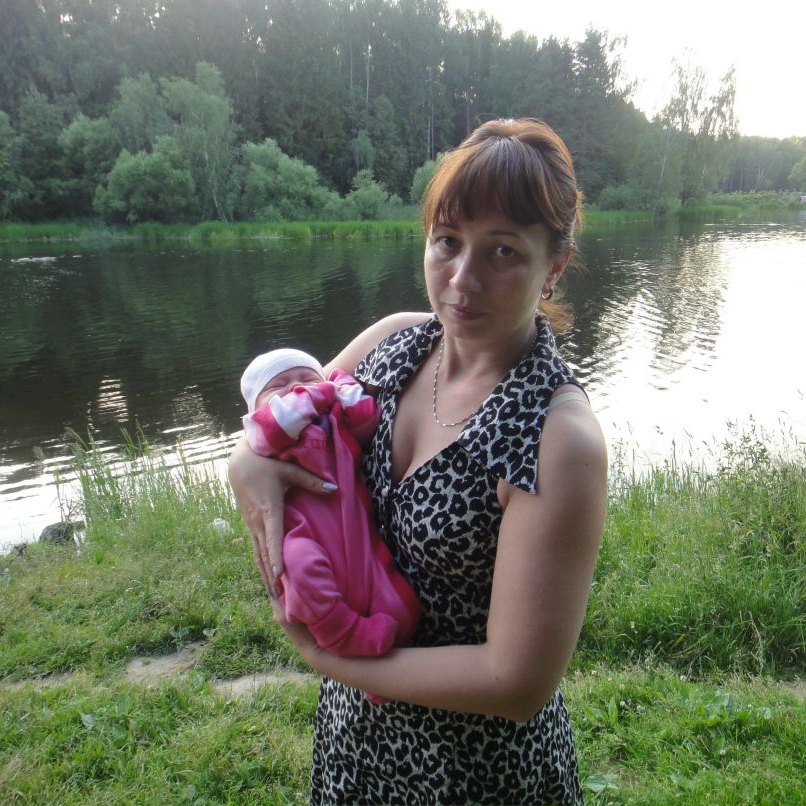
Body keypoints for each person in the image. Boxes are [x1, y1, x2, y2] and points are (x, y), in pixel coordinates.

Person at [228, 118, 608, 805]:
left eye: (502, 251)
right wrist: (244, 465)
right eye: (447, 241)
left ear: (553, 264)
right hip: (354, 746)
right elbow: (279, 420)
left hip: (475, 774)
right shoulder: (393, 344)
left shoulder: (556, 437)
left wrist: (332, 659)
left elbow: (516, 682)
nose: (462, 279)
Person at [239, 348, 422, 696]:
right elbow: (272, 428)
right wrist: (320, 390)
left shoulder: (334, 418)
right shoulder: (267, 429)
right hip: (301, 532)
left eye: (306, 378)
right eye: (279, 384)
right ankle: (344, 634)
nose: (296, 387)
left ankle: (382, 680)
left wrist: (344, 385)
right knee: (303, 571)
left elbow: (367, 418)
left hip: (356, 531)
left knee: (399, 603)